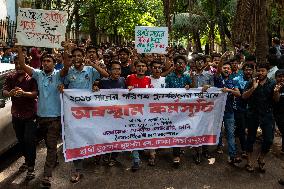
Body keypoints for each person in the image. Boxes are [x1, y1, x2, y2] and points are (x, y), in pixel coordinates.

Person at [59, 47, 108, 183]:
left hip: (90, 109)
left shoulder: (90, 70)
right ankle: (77, 169)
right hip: (74, 112)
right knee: (75, 137)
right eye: (74, 56)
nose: (77, 58)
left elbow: (105, 75)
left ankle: (96, 153)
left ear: (83, 56)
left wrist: (92, 64)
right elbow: (62, 82)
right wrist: (62, 88)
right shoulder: (68, 71)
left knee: (93, 133)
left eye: (79, 55)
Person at [18, 46, 63, 188]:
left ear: (54, 63)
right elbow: (23, 65)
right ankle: (54, 159)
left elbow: (67, 67)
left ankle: (47, 176)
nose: (46, 63)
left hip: (55, 118)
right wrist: (20, 49)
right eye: (44, 61)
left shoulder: (58, 75)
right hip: (40, 117)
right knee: (44, 143)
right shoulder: (38, 74)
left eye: (49, 61)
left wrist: (66, 50)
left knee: (50, 146)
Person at [2, 55, 38, 180]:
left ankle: (31, 167)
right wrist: (10, 93)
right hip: (16, 114)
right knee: (21, 140)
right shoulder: (10, 77)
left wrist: (24, 93)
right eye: (16, 63)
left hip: (30, 115)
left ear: (25, 64)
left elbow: (35, 94)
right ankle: (27, 160)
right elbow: (4, 91)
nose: (18, 66)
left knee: (29, 140)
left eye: (20, 64)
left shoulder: (33, 77)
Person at [242, 63, 276, 172]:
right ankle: (249, 162)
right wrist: (253, 88)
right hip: (253, 113)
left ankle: (261, 158)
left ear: (267, 72)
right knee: (250, 138)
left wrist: (276, 92)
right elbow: (243, 96)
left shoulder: (272, 83)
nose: (261, 73)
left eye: (263, 71)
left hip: (267, 114)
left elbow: (276, 100)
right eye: (259, 70)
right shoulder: (251, 82)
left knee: (269, 139)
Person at [93, 60, 126, 166]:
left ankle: (114, 157)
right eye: (114, 69)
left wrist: (130, 88)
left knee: (118, 136)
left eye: (119, 69)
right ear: (109, 70)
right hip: (106, 115)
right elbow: (94, 89)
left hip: (119, 115)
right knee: (107, 135)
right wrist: (94, 87)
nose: (117, 71)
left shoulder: (123, 80)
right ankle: (106, 155)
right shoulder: (103, 82)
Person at [165, 54, 192, 167]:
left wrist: (189, 87)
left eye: (182, 63)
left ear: (185, 65)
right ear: (174, 65)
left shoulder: (187, 77)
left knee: (182, 129)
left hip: (185, 109)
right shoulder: (169, 77)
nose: (180, 65)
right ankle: (176, 154)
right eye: (177, 63)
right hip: (172, 108)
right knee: (175, 129)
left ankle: (179, 148)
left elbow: (193, 91)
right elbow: (164, 93)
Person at [214, 55, 242, 165]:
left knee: (230, 133)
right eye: (224, 68)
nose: (226, 70)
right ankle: (219, 145)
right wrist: (222, 58)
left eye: (228, 68)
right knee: (219, 131)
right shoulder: (217, 78)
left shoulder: (233, 81)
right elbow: (218, 69)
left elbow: (239, 93)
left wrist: (228, 90)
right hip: (217, 111)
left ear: (231, 71)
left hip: (229, 111)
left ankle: (232, 155)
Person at [126, 60, 151, 171]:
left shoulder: (149, 79)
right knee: (134, 134)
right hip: (133, 112)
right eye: (139, 66)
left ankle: (146, 151)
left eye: (143, 66)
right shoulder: (130, 78)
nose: (141, 68)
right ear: (135, 68)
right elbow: (122, 93)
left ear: (146, 68)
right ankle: (136, 160)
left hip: (146, 112)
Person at [233, 63, 254, 158]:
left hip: (251, 109)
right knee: (241, 129)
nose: (248, 71)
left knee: (249, 129)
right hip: (240, 108)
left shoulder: (255, 81)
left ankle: (248, 147)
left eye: (250, 70)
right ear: (243, 70)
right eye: (246, 69)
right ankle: (244, 149)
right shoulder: (237, 79)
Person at [273, 70, 284, 185]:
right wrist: (277, 91)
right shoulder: (274, 87)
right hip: (279, 120)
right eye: (279, 77)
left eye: (283, 77)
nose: (281, 79)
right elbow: (276, 100)